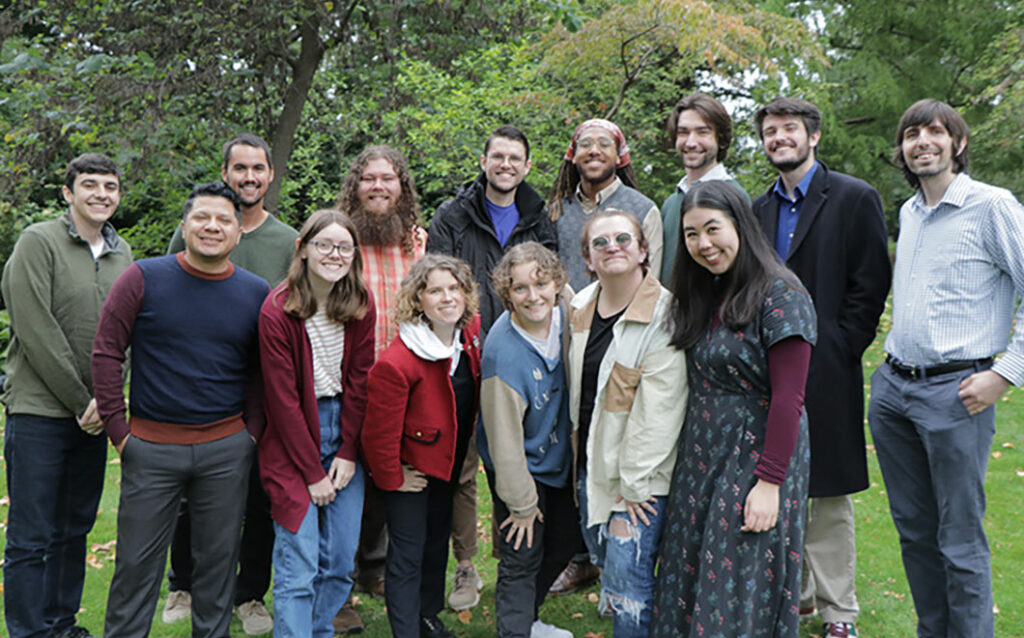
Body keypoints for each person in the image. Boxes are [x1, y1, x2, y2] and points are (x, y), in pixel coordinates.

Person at [869, 98, 1024, 638]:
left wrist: (1005, 373)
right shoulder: (910, 213)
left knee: (959, 538)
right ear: (903, 149)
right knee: (914, 533)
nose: (922, 142)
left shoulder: (993, 206)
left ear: (958, 143)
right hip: (894, 390)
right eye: (912, 134)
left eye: (935, 132)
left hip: (958, 393)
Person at [92, 181, 269, 637]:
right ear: (185, 225)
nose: (212, 227)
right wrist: (120, 432)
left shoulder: (255, 292)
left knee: (216, 568)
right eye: (202, 218)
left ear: (238, 232)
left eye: (224, 219)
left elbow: (259, 371)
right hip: (151, 448)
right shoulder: (144, 278)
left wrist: (249, 434)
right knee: (135, 569)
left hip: (225, 451)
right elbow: (108, 352)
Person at [651, 181, 817, 638]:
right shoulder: (706, 293)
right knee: (688, 571)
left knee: (738, 576)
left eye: (712, 229)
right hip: (701, 451)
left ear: (739, 225)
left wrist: (769, 482)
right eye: (691, 234)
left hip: (757, 452)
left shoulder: (781, 294)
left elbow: (789, 398)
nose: (703, 244)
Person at [751, 96, 891, 637]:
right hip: (769, 368)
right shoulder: (760, 210)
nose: (778, 138)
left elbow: (870, 283)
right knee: (777, 481)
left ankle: (839, 613)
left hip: (828, 366)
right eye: (769, 131)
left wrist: (840, 344)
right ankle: (799, 597)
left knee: (827, 494)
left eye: (789, 129)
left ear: (813, 137)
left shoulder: (853, 198)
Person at [163, 133, 297, 634]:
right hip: (195, 379)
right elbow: (170, 286)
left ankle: (250, 593)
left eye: (257, 170)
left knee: (259, 492)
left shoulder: (286, 241)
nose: (248, 178)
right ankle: (183, 582)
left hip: (259, 383)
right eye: (239, 169)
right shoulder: (200, 227)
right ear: (226, 173)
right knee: (188, 490)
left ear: (269, 176)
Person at [2, 153, 132, 638]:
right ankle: (29, 631)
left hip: (95, 417)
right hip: (40, 412)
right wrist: (85, 401)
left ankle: (61, 624)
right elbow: (36, 330)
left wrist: (110, 401)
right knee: (31, 535)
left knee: (74, 528)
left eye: (110, 187)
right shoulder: (39, 242)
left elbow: (128, 334)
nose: (101, 194)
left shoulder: (124, 254)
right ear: (68, 193)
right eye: (90, 185)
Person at [427, 124, 557, 610]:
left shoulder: (539, 216)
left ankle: (517, 559)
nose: (505, 165)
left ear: (526, 166)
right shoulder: (454, 216)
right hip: (463, 354)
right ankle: (464, 567)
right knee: (459, 468)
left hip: (526, 357)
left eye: (514, 158)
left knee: (519, 455)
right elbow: (439, 282)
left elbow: (549, 283)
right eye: (497, 156)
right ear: (484, 162)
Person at [568, 210, 686, 637]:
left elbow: (659, 413)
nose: (611, 246)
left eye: (622, 238)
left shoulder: (665, 316)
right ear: (588, 258)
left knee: (629, 587)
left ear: (642, 251)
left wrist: (633, 485)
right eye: (600, 242)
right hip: (591, 466)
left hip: (639, 482)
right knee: (609, 569)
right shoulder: (580, 306)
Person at [257, 209, 376, 636]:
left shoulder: (359, 303)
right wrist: (311, 472)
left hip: (343, 429)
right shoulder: (277, 310)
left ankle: (318, 631)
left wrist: (347, 452)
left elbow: (361, 383)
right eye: (323, 244)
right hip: (291, 440)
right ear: (303, 250)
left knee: (341, 562)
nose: (334, 254)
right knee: (300, 562)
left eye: (343, 247)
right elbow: (282, 400)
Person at [331, 144, 428, 632]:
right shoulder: (339, 236)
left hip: (404, 382)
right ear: (356, 185)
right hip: (348, 381)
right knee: (348, 484)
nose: (378, 187)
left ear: (401, 187)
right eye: (369, 178)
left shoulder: (415, 240)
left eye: (388, 179)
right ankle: (340, 588)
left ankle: (376, 568)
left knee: (390, 480)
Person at [361, 254, 482, 638]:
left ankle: (427, 617)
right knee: (407, 557)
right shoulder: (398, 362)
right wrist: (393, 478)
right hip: (411, 475)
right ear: (419, 300)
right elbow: (377, 434)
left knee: (435, 548)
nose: (447, 298)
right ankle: (406, 630)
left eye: (454, 288)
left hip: (446, 467)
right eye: (435, 291)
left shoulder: (468, 337)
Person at [478, 242, 578, 638]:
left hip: (561, 456)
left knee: (565, 540)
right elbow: (504, 444)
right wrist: (520, 505)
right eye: (519, 288)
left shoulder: (571, 311)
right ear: (507, 294)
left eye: (540, 283)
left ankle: (530, 621)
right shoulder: (502, 356)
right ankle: (515, 632)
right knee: (522, 553)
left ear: (556, 283)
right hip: (518, 463)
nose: (533, 296)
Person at [549, 118, 663, 292]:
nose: (594, 151)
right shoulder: (557, 211)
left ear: (618, 157)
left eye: (604, 144)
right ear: (573, 156)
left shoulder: (644, 210)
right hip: (568, 316)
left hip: (626, 317)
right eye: (585, 144)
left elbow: (651, 281)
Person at [660, 92, 750, 286]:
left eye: (702, 132)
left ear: (722, 140)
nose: (691, 142)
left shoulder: (735, 197)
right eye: (683, 132)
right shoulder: (670, 204)